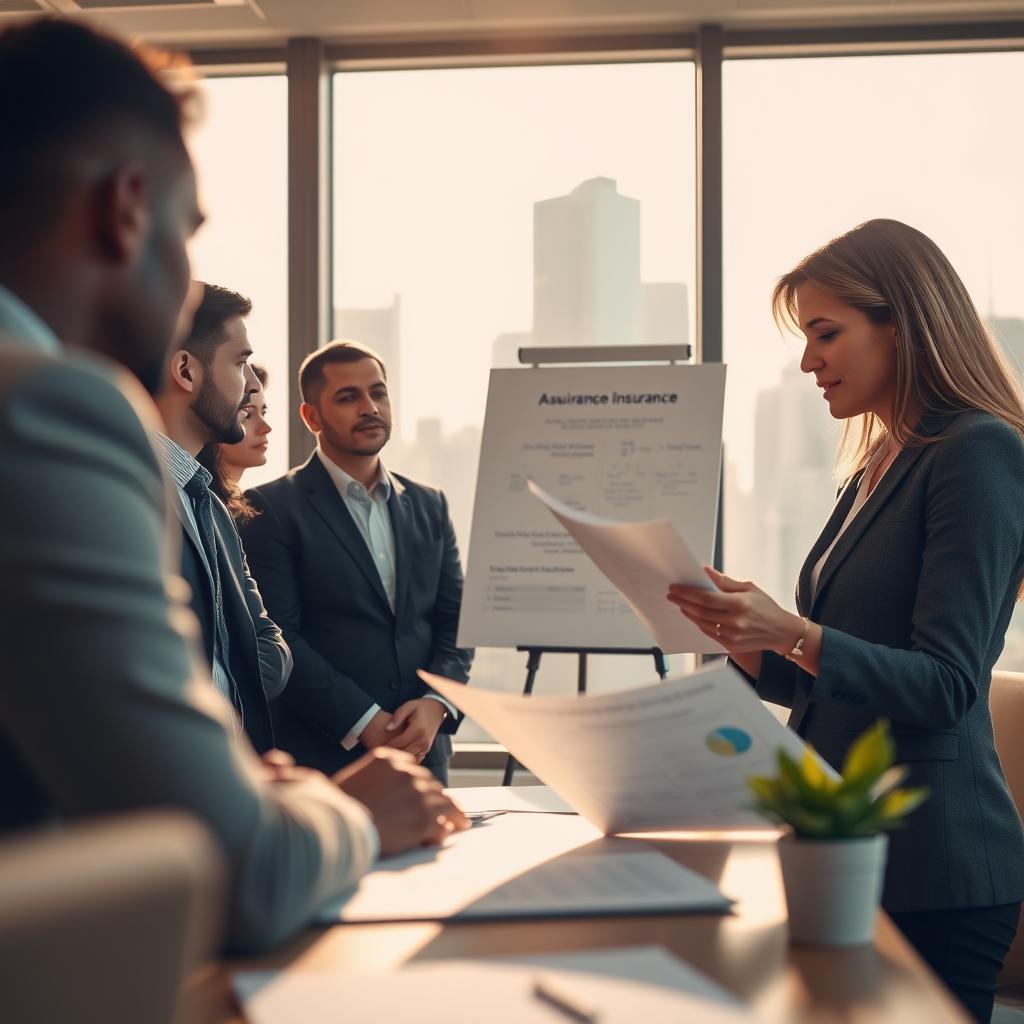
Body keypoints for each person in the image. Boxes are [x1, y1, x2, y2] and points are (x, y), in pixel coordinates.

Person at [0, 16, 467, 953]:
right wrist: (350, 811)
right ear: (125, 208)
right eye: (187, 231)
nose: (185, 281)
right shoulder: (48, 408)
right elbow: (241, 873)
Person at [668, 218, 1024, 1022]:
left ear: (902, 324)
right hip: (842, 855)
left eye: (825, 333)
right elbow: (840, 686)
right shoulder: (875, 462)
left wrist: (788, 629)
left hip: (933, 868)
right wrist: (746, 637)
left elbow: (945, 686)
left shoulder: (976, 452)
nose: (807, 361)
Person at [241, 341, 474, 783]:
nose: (370, 407)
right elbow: (280, 637)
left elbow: (457, 622)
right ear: (311, 417)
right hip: (326, 758)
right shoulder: (269, 508)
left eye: (378, 393)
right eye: (349, 397)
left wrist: (436, 704)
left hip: (425, 752)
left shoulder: (430, 504)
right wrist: (364, 721)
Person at [154, 283, 288, 744]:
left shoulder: (207, 501)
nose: (252, 385)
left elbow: (264, 639)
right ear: (186, 371)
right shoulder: (128, 495)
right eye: (239, 362)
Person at [198, 363, 271, 525]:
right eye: (247, 415)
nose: (266, 428)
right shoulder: (201, 509)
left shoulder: (243, 509)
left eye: (263, 412)